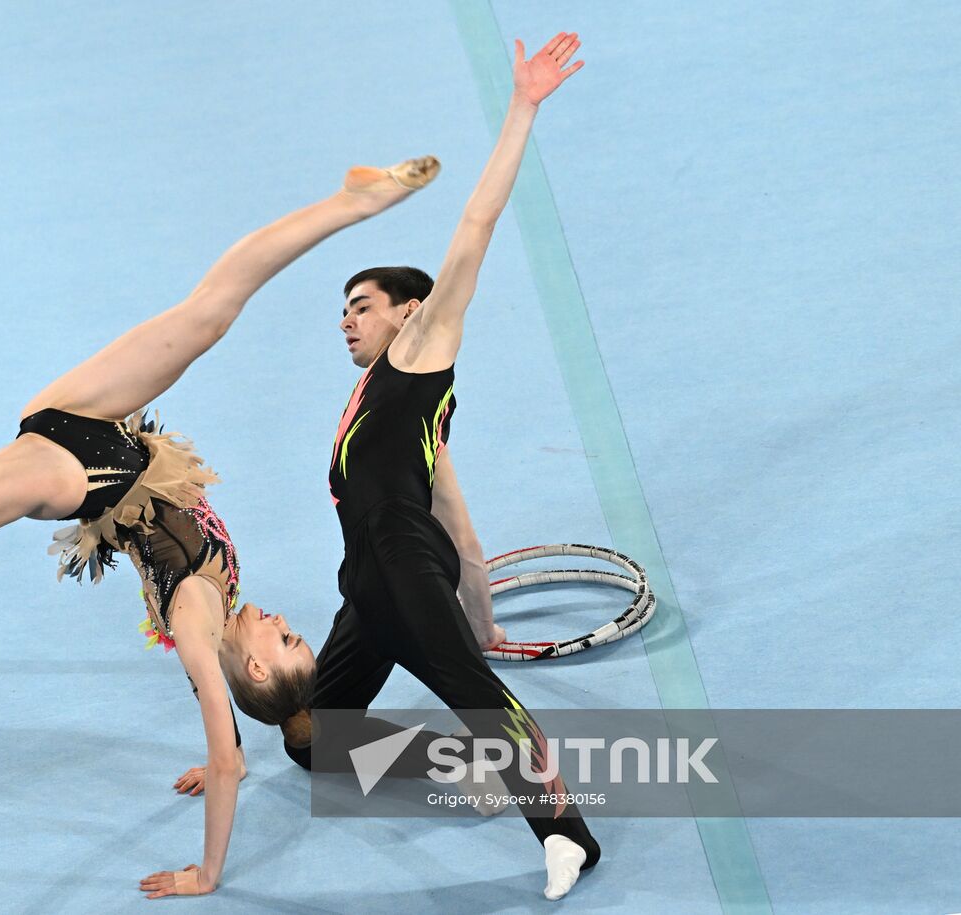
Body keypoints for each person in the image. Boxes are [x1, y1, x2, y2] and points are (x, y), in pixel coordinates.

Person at [0, 155, 440, 899]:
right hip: (102, 428)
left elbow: (229, 762)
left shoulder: (196, 622)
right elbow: (224, 721)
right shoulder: (218, 639)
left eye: (283, 638)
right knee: (213, 307)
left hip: (74, 478)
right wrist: (235, 729)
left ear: (253, 668)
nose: (282, 619)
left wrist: (207, 872)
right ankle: (354, 202)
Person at [288, 32, 602, 902]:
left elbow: (476, 223)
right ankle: (466, 768)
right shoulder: (392, 406)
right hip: (372, 579)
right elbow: (454, 516)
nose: (347, 322)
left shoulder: (423, 355)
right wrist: (482, 607)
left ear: (409, 313)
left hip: (395, 561)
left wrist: (523, 107)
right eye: (343, 310)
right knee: (310, 734)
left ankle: (568, 833)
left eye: (361, 307)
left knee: (471, 688)